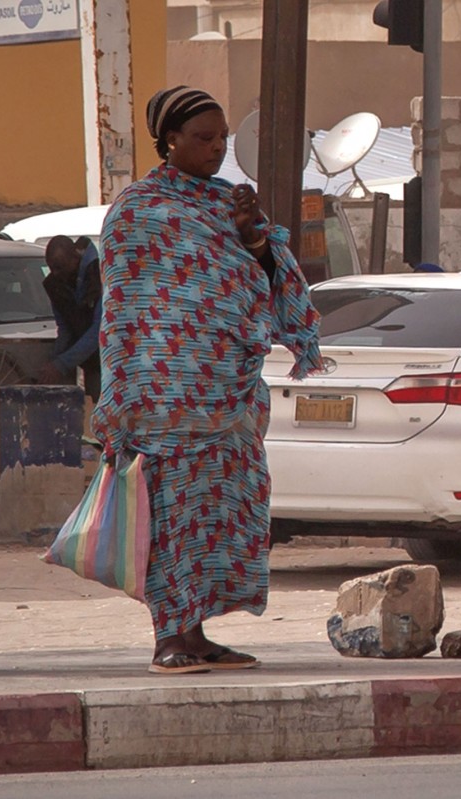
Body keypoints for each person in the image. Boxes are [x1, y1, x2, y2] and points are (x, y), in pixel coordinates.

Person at [91, 86, 321, 674]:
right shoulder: (137, 210)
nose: (218, 149)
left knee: (222, 512)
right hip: (160, 398)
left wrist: (253, 238)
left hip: (228, 395)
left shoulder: (229, 205)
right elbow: (127, 308)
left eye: (223, 139)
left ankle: (197, 636)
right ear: (169, 141)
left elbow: (276, 281)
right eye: (204, 138)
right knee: (169, 518)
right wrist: (121, 393)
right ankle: (168, 636)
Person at [40, 235, 102, 400]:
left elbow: (100, 330)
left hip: (111, 360)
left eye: (60, 267)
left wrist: (61, 364)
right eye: (52, 268)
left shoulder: (98, 275)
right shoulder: (56, 285)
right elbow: (65, 328)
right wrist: (54, 361)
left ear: (75, 258)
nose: (55, 273)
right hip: (92, 365)